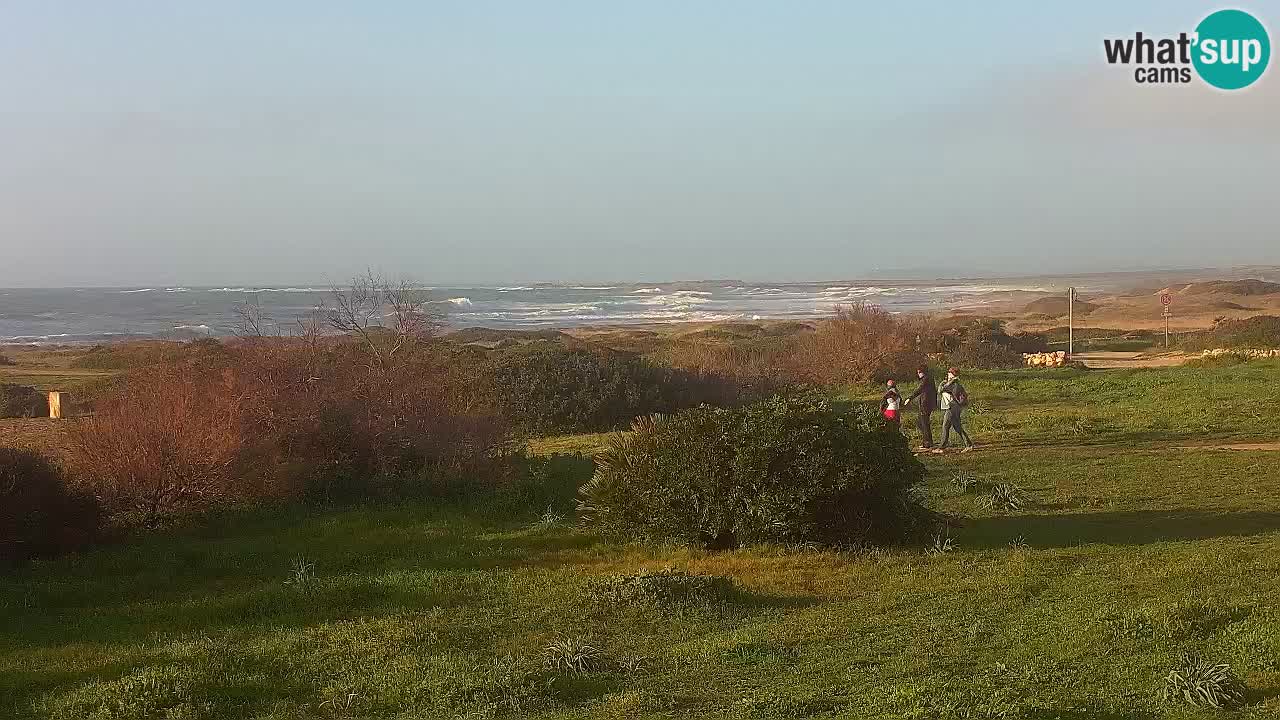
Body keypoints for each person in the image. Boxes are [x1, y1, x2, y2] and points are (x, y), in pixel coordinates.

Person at [939, 367, 974, 452]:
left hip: (952, 407)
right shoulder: (953, 383)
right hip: (954, 407)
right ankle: (968, 445)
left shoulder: (954, 384)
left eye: (949, 373)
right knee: (957, 427)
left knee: (945, 426)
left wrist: (943, 383)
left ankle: (942, 447)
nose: (948, 374)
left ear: (952, 374)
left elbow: (941, 390)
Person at [903, 366, 936, 450]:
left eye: (919, 372)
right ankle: (928, 441)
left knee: (924, 423)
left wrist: (910, 398)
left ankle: (927, 443)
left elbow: (919, 390)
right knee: (921, 423)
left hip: (926, 404)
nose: (918, 374)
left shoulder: (926, 380)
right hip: (926, 404)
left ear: (923, 372)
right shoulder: (927, 379)